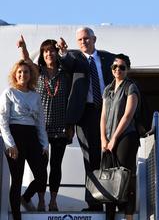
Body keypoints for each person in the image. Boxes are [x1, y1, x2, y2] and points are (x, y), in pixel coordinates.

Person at [59, 27, 115, 211]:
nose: (84, 42)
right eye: (80, 40)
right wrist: (63, 52)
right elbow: (66, 63)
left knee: (110, 155)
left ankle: (113, 199)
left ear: (94, 39)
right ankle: (93, 202)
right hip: (86, 114)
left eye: (86, 38)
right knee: (89, 157)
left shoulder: (108, 59)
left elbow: (124, 67)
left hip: (108, 111)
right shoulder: (75, 59)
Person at [17, 36, 73, 212]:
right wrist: (23, 48)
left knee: (56, 165)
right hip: (40, 128)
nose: (49, 53)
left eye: (52, 50)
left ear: (56, 53)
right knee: (41, 167)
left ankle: (53, 201)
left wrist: (65, 50)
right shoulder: (38, 71)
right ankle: (40, 199)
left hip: (61, 126)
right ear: (42, 54)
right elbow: (26, 61)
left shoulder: (65, 72)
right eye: (46, 51)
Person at [0, 60, 49, 220]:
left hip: (32, 136)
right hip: (15, 136)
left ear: (30, 75)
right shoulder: (9, 92)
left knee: (42, 175)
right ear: (15, 74)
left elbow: (40, 121)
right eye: (19, 72)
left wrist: (44, 143)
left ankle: (25, 197)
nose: (23, 74)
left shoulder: (35, 95)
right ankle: (16, 216)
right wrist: (10, 144)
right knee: (17, 179)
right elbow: (3, 121)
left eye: (26, 72)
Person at [100, 54, 139, 220]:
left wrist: (114, 138)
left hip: (125, 137)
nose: (117, 70)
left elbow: (127, 116)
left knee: (125, 175)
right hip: (108, 139)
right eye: (115, 67)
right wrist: (103, 138)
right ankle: (109, 215)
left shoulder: (131, 87)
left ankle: (128, 214)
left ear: (127, 69)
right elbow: (102, 116)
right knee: (109, 176)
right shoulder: (107, 89)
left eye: (122, 67)